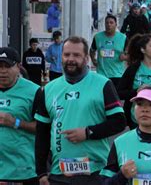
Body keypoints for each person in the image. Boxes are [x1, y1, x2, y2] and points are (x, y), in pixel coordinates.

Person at [35, 36, 126, 185]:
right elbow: (42, 133)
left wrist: (88, 132)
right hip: (59, 173)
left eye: (76, 55)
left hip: (94, 172)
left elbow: (119, 122)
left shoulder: (103, 84)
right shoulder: (48, 89)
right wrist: (41, 172)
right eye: (66, 55)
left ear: (86, 59)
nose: (71, 59)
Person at [0, 47, 41, 185]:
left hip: (22, 171)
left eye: (7, 66)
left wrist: (15, 122)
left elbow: (43, 128)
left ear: (18, 67)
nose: (2, 71)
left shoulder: (34, 91)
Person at [118, 33, 151, 128]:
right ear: (143, 50)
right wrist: (136, 91)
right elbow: (119, 93)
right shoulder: (133, 69)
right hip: (137, 119)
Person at [90, 14, 127, 88]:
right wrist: (93, 60)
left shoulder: (123, 38)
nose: (108, 25)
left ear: (116, 24)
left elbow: (130, 53)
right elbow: (92, 50)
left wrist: (125, 57)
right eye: (107, 23)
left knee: (115, 97)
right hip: (102, 74)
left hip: (117, 74)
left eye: (111, 23)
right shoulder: (98, 37)